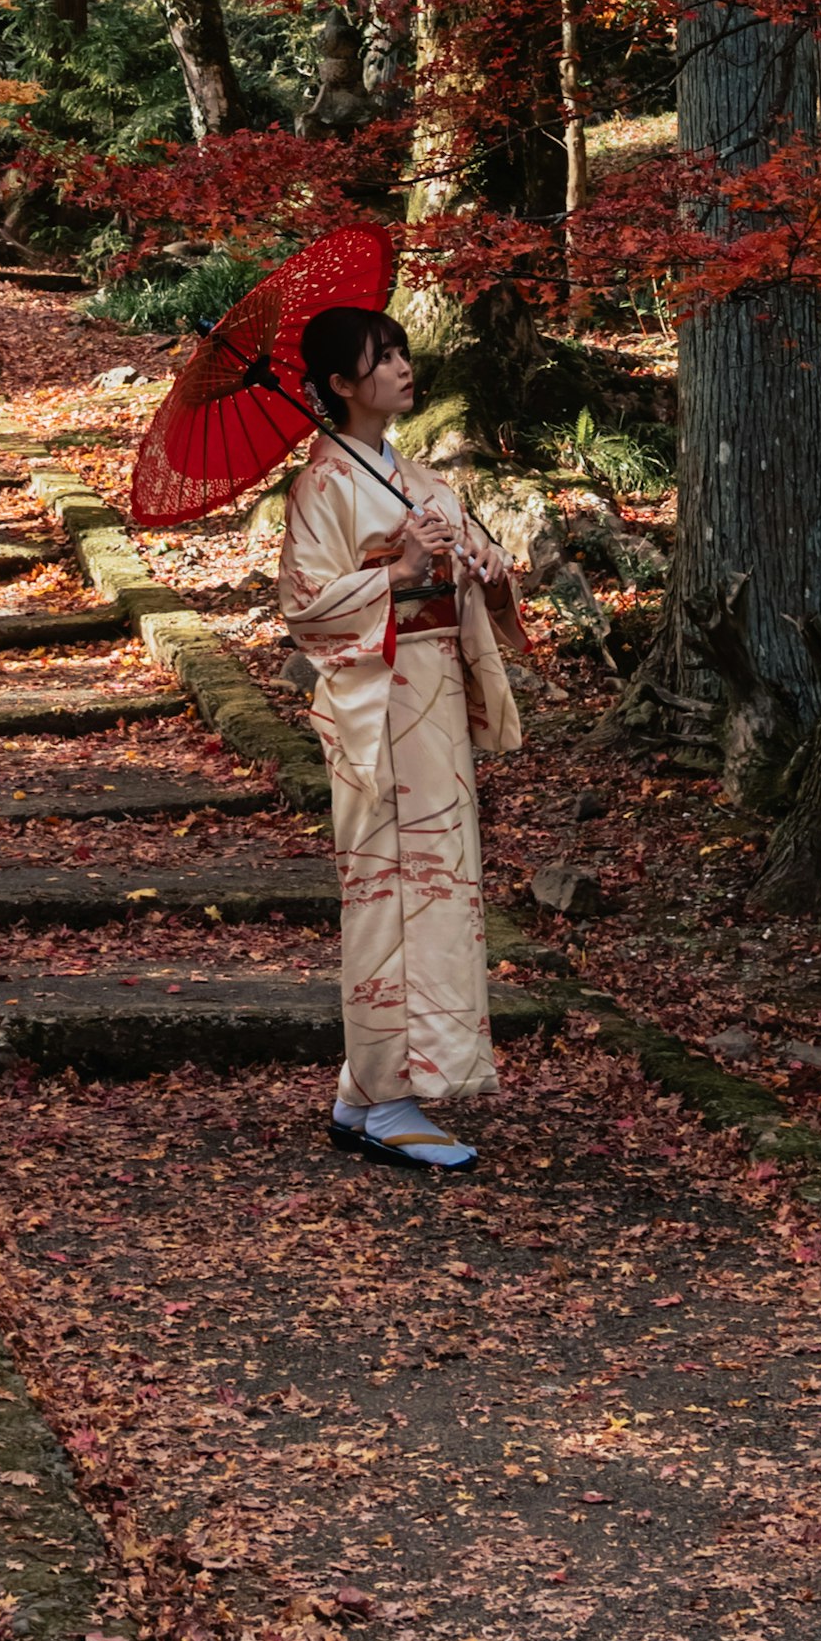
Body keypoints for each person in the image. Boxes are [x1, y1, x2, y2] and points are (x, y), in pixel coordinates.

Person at [274, 303, 522, 1173]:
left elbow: (479, 575)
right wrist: (401, 571)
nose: (404, 367)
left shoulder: (412, 472)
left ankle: (365, 1090)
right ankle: (388, 1102)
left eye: (403, 351)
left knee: (441, 890)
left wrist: (483, 569)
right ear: (341, 385)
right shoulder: (323, 484)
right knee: (387, 894)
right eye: (383, 358)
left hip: (434, 702)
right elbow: (305, 609)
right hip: (378, 712)